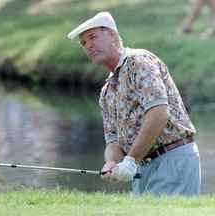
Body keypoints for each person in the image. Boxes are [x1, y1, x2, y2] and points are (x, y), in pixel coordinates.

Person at [67, 12, 201, 196]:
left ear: (112, 35)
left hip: (171, 159)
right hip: (141, 167)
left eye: (93, 37)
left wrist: (130, 161)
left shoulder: (138, 62)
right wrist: (112, 163)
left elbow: (159, 112)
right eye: (84, 43)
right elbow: (113, 141)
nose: (88, 45)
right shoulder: (107, 90)